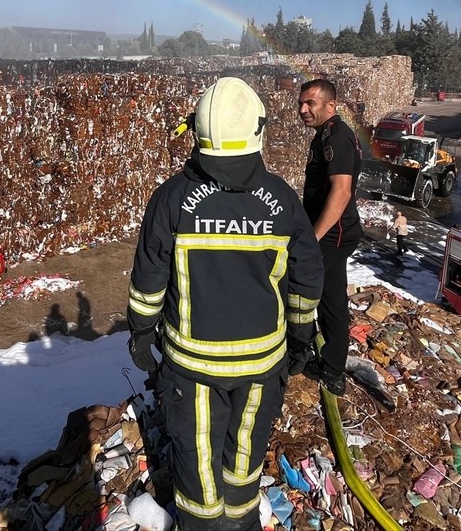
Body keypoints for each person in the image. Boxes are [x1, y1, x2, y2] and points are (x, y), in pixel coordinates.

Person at [127, 77, 324, 531]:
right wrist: (300, 337)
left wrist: (140, 333)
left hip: (192, 370)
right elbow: (306, 278)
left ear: (197, 131)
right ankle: (242, 521)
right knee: (244, 459)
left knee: (198, 467)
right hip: (262, 366)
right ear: (257, 132)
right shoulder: (282, 199)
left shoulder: (172, 199)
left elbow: (149, 278)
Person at [297, 78, 362, 397]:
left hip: (332, 235)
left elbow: (341, 191)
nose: (303, 109)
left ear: (330, 106)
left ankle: (314, 360)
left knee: (310, 291)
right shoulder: (326, 134)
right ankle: (332, 367)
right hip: (331, 233)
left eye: (310, 103)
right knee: (330, 297)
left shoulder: (337, 136)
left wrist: (313, 238)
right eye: (301, 103)